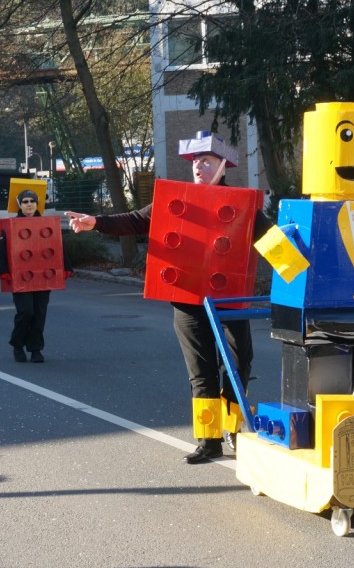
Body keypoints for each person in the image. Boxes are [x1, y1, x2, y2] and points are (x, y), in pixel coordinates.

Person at [66, 131, 271, 464]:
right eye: (196, 162)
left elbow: (270, 239)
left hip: (229, 302)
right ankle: (208, 440)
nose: (199, 167)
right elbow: (137, 220)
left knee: (238, 364)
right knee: (201, 371)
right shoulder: (179, 199)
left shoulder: (242, 202)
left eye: (207, 161)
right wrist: (96, 222)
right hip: (188, 299)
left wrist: (299, 270)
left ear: (223, 166)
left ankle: (234, 428)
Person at [0, 188, 71, 363]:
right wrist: (3, 271)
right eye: (25, 202)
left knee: (39, 314)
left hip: (43, 277)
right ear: (20, 205)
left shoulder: (47, 224)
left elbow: (58, 245)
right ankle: (17, 345)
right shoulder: (11, 225)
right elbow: (2, 249)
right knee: (26, 312)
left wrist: (66, 267)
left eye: (32, 201)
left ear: (37, 204)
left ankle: (36, 349)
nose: (29, 205)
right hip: (20, 277)